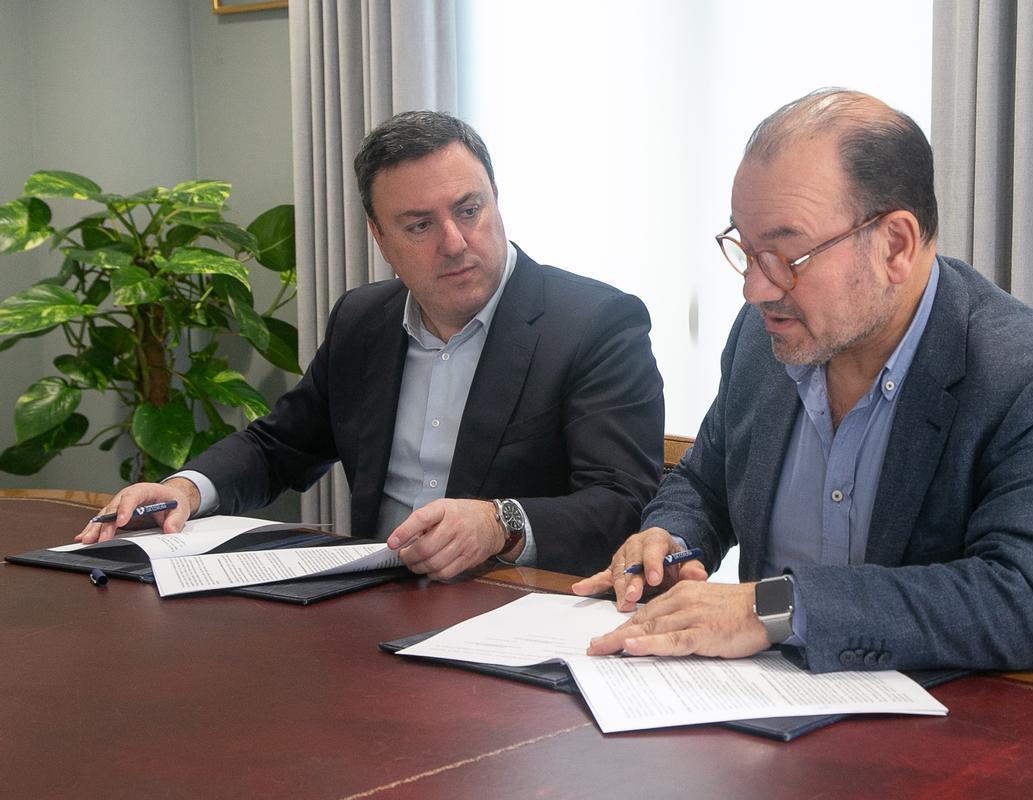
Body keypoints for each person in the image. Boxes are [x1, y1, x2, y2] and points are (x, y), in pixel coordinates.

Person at [574, 88, 1033, 674]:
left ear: (895, 245)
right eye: (745, 249)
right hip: (777, 702)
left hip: (986, 715)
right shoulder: (765, 337)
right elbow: (706, 483)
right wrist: (669, 537)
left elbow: (1025, 602)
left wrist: (773, 608)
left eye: (786, 258)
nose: (755, 289)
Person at [79, 111, 665, 580]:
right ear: (380, 238)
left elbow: (622, 502)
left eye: (469, 210)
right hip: (370, 603)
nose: (455, 242)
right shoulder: (363, 320)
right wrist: (183, 490)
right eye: (419, 225)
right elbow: (279, 445)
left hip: (515, 605)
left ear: (496, 199)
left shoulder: (593, 323)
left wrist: (500, 524)